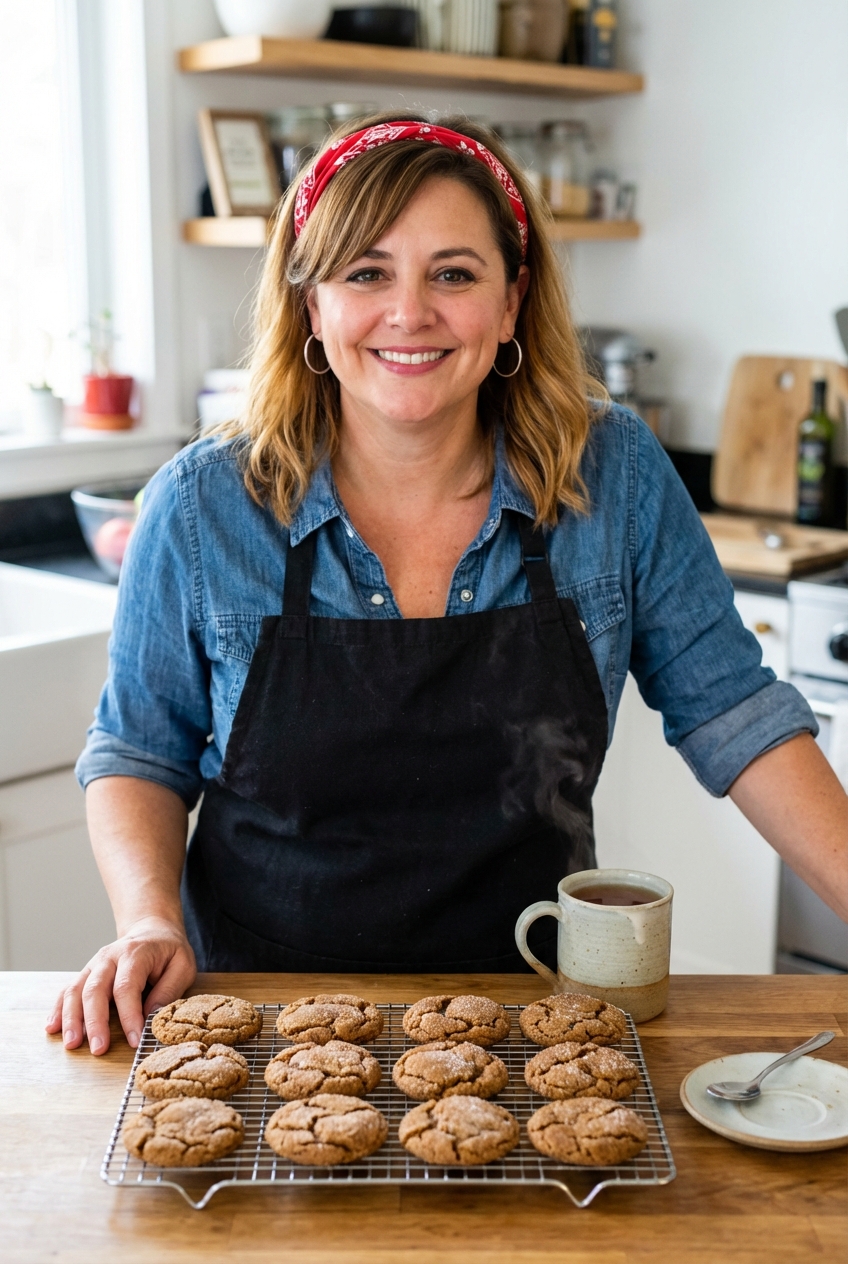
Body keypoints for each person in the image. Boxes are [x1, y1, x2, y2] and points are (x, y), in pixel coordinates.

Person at [48, 114, 847, 1056]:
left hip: (540, 1023)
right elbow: (141, 751)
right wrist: (148, 921)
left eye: (454, 274)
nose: (409, 313)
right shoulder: (202, 503)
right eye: (366, 273)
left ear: (512, 302)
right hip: (259, 1026)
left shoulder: (615, 474)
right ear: (312, 305)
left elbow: (736, 714)